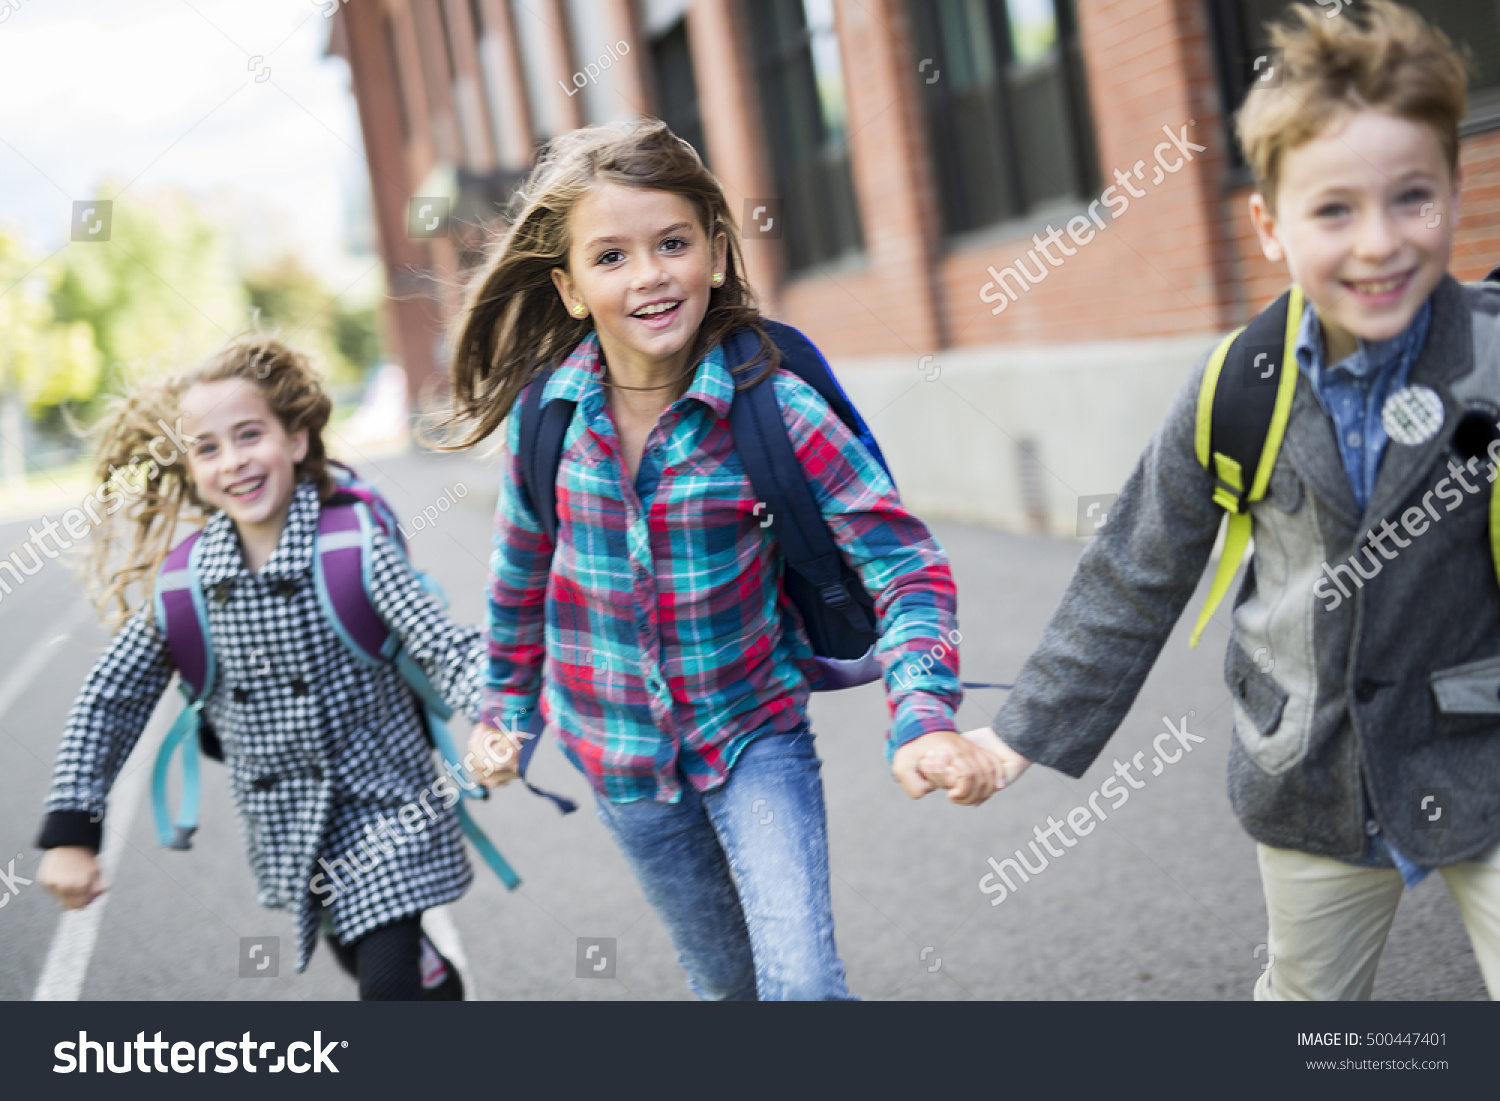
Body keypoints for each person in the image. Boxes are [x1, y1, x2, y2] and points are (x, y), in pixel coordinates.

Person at [972, 0, 1500, 1000]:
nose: (1380, 243)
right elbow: (1135, 571)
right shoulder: (1239, 387)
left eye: (1412, 199)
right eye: (1334, 210)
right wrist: (1017, 735)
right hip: (1312, 772)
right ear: (1268, 225)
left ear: (1454, 191)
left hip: (1484, 745)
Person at [448, 118, 995, 1000]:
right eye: (612, 256)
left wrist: (923, 711)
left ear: (715, 249)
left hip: (752, 735)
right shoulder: (546, 419)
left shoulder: (773, 410)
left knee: (805, 987)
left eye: (672, 243)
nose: (651, 274)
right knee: (727, 987)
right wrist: (505, 712)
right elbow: (519, 579)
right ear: (572, 287)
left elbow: (908, 569)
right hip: (619, 757)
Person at [35, 337, 498, 1000]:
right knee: (363, 952)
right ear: (190, 466)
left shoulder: (352, 547)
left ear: (298, 439)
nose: (234, 461)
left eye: (250, 435)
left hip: (388, 807)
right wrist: (73, 831)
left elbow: (441, 642)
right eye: (208, 447)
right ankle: (437, 979)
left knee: (386, 980)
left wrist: (492, 714)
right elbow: (110, 697)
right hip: (289, 825)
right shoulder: (186, 585)